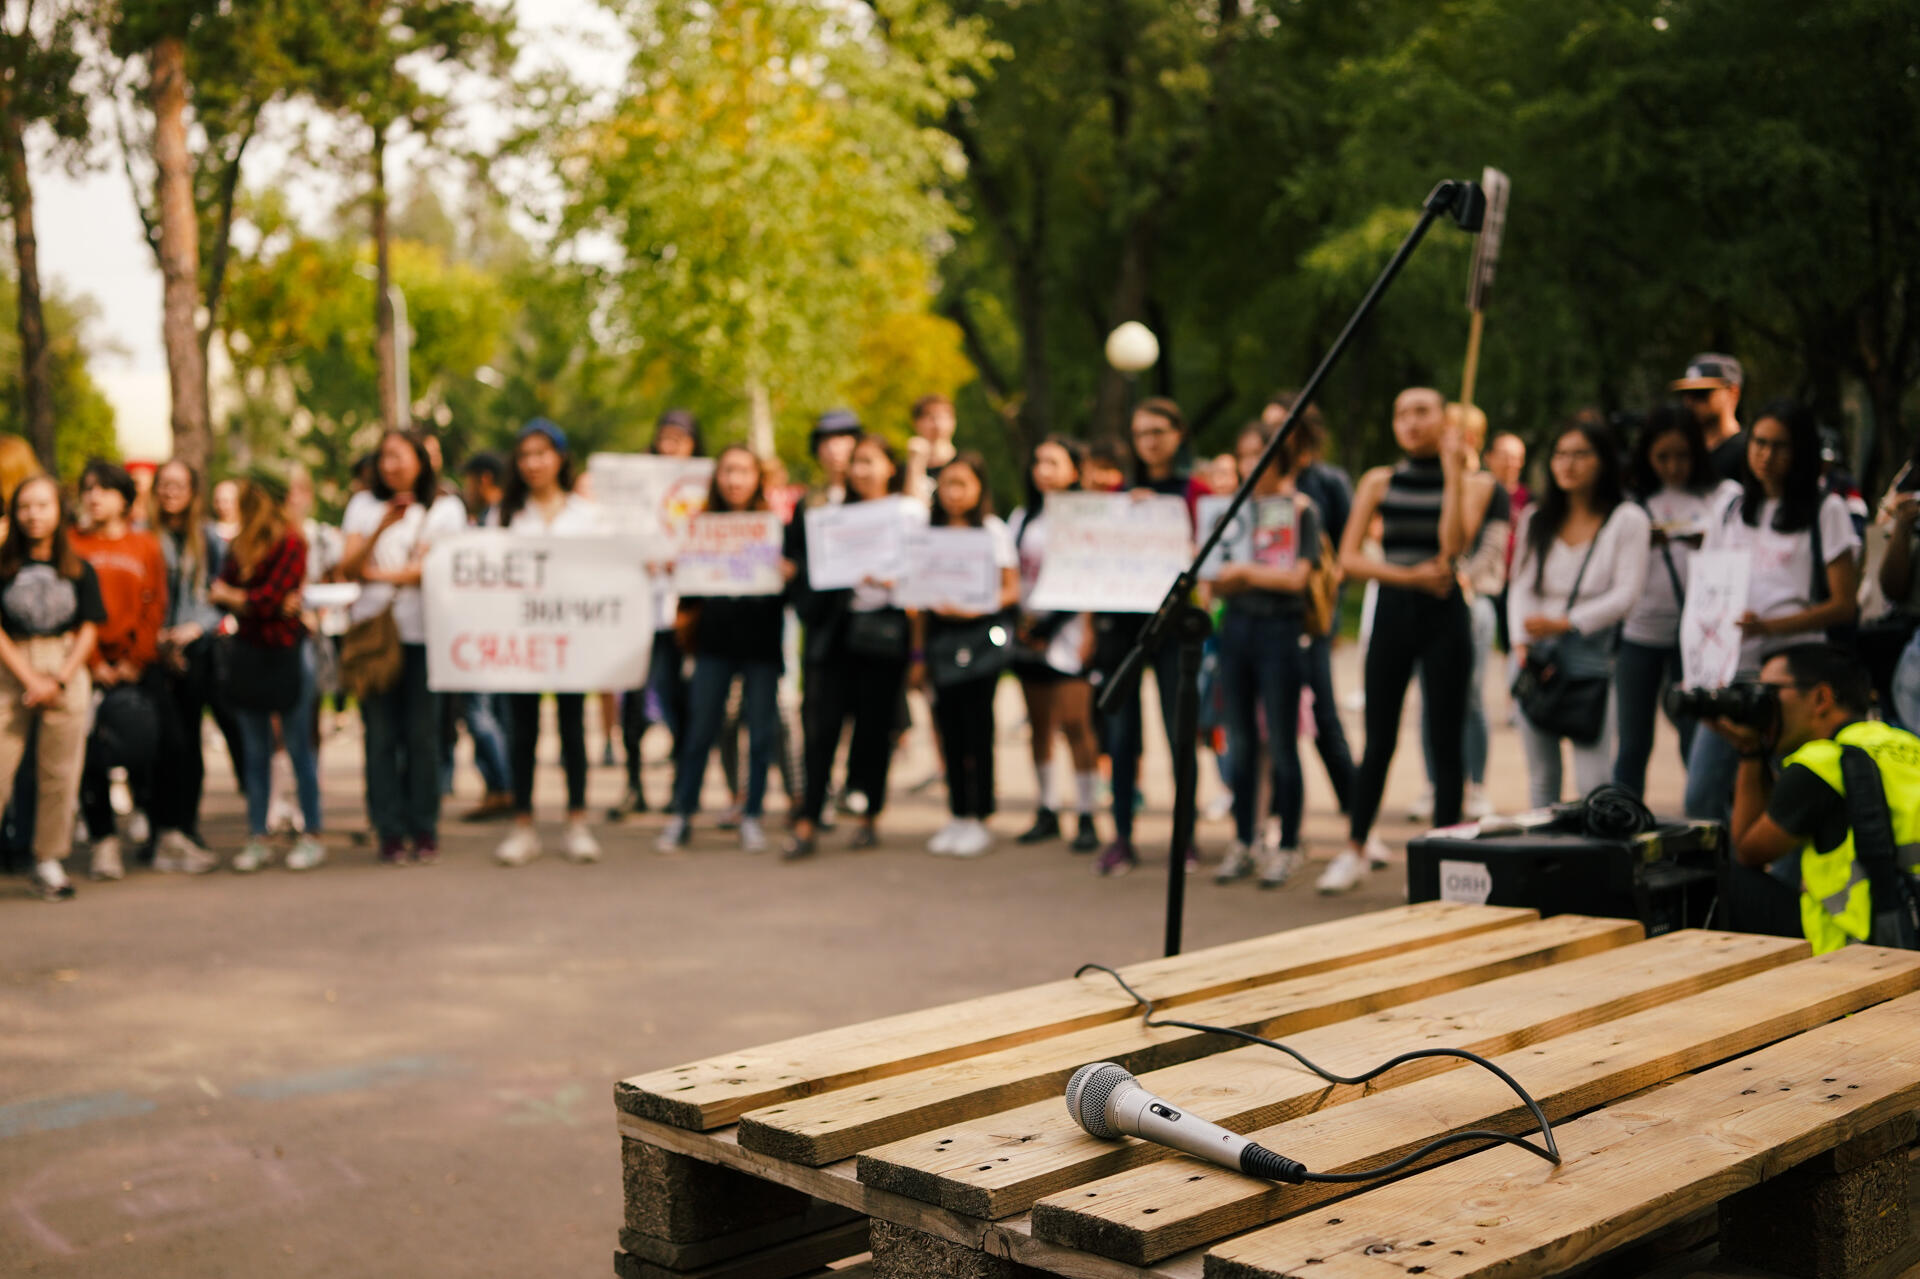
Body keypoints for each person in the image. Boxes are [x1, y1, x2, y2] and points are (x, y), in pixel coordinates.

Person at [1328, 387, 1497, 894]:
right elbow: (1349, 559)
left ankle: (1441, 860)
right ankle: (1355, 847)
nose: (1410, 422)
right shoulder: (1378, 481)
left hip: (1446, 615)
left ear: (1445, 420)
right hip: (1394, 611)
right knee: (1378, 738)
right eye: (1400, 413)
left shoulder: (1476, 483)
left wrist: (1452, 472)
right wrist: (1408, 577)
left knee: (1445, 740)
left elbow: (1453, 546)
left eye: (1422, 412)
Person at [1686, 401, 1861, 826]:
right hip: (1731, 672)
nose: (1766, 455)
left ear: (1802, 451)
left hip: (1792, 679)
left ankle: (1771, 872)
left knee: (1785, 805)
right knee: (1702, 797)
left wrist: (1770, 627)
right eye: (1759, 443)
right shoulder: (1730, 508)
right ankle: (1726, 871)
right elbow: (1708, 588)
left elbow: (1844, 603)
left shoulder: (1826, 510)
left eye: (1780, 446)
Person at [1712, 643, 1920, 952]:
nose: (1762, 706)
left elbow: (1747, 850)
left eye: (1770, 693)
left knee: (1724, 879)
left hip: (1860, 946)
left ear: (1821, 698)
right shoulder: (1906, 742)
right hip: (1909, 925)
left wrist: (1749, 750)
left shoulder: (1821, 764)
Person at [783, 434, 920, 859]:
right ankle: (808, 818)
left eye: (870, 462)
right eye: (856, 462)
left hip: (886, 635)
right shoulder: (832, 514)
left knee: (874, 728)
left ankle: (868, 815)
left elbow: (926, 569)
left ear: (890, 467)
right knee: (822, 728)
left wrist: (898, 582)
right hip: (836, 633)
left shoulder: (908, 514)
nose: (861, 471)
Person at [1092, 397, 1211, 877]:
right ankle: (1122, 836)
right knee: (1121, 737)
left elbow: (1211, 556)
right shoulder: (1119, 494)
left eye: (1158, 431)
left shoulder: (1196, 493)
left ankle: (1186, 838)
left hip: (1175, 628)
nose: (1150, 442)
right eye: (1141, 433)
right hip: (1124, 629)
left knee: (1179, 732)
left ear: (1179, 435)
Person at [341, 429, 469, 864]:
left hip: (424, 636)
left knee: (423, 736)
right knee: (380, 736)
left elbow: (435, 570)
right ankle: (389, 829)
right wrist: (381, 528)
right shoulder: (363, 506)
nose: (390, 465)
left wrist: (377, 575)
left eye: (398, 456)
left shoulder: (446, 508)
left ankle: (424, 826)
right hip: (376, 639)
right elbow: (348, 567)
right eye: (384, 457)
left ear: (420, 460)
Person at [1209, 418, 1326, 888]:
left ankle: (1289, 842)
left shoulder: (1300, 510)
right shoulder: (1229, 512)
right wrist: (1229, 577)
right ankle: (1244, 840)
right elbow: (1213, 580)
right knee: (1239, 742)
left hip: (1281, 630)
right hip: (1236, 629)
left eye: (1258, 453)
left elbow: (1298, 578)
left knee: (1281, 742)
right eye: (1243, 454)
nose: (1249, 463)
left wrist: (1246, 575)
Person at [1507, 420, 1650, 806]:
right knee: (1542, 778)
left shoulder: (1628, 519)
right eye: (1560, 454)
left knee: (1594, 782)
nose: (1568, 464)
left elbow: (1627, 595)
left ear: (1603, 460)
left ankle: (1592, 845)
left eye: (1580, 454)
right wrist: (1520, 641)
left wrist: (1566, 623)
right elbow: (1520, 584)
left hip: (1591, 659)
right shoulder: (1537, 517)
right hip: (1535, 657)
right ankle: (1545, 845)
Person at [658, 446, 788, 853]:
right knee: (700, 730)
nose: (735, 480)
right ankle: (683, 813)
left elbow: (795, 585)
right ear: (717, 478)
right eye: (728, 471)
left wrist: (789, 572)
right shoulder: (700, 527)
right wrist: (678, 569)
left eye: (744, 471)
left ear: (757, 478)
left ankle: (752, 815)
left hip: (761, 643)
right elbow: (690, 590)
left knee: (760, 733)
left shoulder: (775, 526)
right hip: (714, 642)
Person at [490, 420, 604, 867]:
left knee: (573, 728)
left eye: (541, 453)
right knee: (522, 731)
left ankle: (577, 821)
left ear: (560, 457)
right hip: (521, 639)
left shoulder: (586, 515)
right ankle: (523, 824)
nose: (533, 463)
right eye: (524, 455)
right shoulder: (505, 515)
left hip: (573, 637)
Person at [211, 468, 324, 872]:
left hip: (286, 653)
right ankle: (257, 834)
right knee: (255, 751)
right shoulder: (240, 544)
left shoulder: (292, 541)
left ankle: (312, 833)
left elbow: (266, 598)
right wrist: (253, 600)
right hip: (249, 653)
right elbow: (221, 593)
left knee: (298, 749)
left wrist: (241, 597)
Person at [0, 476, 104, 899]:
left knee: (60, 772)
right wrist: (29, 678)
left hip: (65, 665)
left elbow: (89, 627)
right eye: (25, 506)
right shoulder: (4, 565)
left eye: (42, 505)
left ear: (59, 511)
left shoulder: (79, 567)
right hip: (12, 665)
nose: (34, 515)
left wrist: (59, 678)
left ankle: (48, 858)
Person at [913, 453, 1019, 857]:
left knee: (978, 727)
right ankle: (958, 812)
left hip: (979, 636)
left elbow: (1012, 588)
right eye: (948, 484)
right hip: (940, 637)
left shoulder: (992, 531)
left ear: (979, 488)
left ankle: (981, 814)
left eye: (963, 484)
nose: (954, 493)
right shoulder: (927, 533)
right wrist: (918, 654)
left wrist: (978, 607)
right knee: (948, 727)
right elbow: (917, 598)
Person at [72, 460, 172, 880]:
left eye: (104, 489)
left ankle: (149, 819)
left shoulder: (145, 545)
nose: (94, 496)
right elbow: (71, 610)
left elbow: (156, 604)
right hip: (85, 663)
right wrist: (94, 663)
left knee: (142, 742)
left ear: (125, 499)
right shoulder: (72, 543)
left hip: (136, 664)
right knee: (89, 754)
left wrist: (136, 659)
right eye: (88, 488)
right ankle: (103, 841)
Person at [1613, 406, 1717, 797]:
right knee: (1633, 743)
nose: (1673, 467)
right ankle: (1623, 819)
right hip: (1640, 631)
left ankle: (1703, 816)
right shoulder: (1631, 500)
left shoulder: (1717, 496)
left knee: (1695, 737)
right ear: (1647, 456)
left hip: (1696, 635)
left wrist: (1708, 544)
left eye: (1683, 456)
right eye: (1663, 457)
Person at [1008, 438, 1102, 852]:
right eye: (1038, 461)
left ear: (1074, 470)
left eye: (1053, 462)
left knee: (1076, 723)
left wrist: (1085, 630)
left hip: (1069, 632)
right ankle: (1047, 806)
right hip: (1029, 632)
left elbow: (1091, 578)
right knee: (1039, 725)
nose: (1042, 470)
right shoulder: (1023, 518)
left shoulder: (1086, 519)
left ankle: (1086, 811)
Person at [1416, 403, 1508, 821]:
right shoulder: (1433, 484)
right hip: (1432, 599)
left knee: (1469, 697)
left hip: (1473, 601)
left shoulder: (1489, 487)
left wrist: (1463, 576)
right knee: (1429, 698)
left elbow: (1491, 546)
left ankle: (1477, 785)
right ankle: (1434, 783)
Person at [612, 409, 704, 818]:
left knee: (678, 701)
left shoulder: (703, 492)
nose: (669, 447)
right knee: (632, 703)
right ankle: (633, 784)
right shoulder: (635, 492)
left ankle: (682, 787)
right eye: (664, 438)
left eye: (678, 440)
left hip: (681, 615)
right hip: (639, 611)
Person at [1275, 395, 1358, 813]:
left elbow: (1347, 549)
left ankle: (1355, 804)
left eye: (1282, 424)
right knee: (1273, 717)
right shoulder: (1261, 480)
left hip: (1313, 615)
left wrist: (1328, 608)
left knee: (1323, 713)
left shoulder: (1328, 482)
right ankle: (1275, 809)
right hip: (1269, 614)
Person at [146, 459, 228, 869]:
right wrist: (158, 637)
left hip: (196, 649)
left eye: (179, 484)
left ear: (193, 491)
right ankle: (158, 827)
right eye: (164, 484)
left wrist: (194, 629)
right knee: (159, 741)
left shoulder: (209, 538)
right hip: (152, 649)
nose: (170, 492)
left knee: (189, 740)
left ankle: (185, 823)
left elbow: (222, 594)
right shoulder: (144, 534)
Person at [1672, 353, 1747, 484]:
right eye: (1686, 393)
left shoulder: (1748, 450)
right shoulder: (1682, 450)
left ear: (1733, 392)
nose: (1689, 401)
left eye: (1700, 393)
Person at [904, 393, 958, 504]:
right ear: (916, 423)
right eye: (931, 417)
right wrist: (915, 463)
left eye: (943, 417)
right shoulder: (905, 469)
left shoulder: (966, 464)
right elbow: (910, 506)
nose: (937, 424)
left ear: (953, 422)